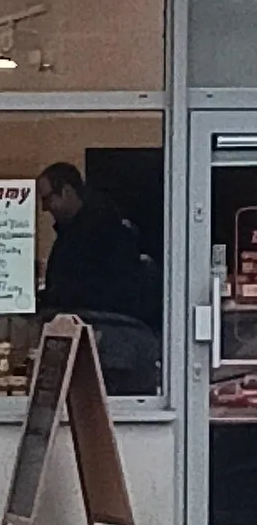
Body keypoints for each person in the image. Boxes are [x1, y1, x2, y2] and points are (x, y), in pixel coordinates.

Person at [37, 162, 162, 395]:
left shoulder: (99, 233)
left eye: (47, 199)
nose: (45, 208)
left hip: (107, 346)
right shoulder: (82, 229)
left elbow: (106, 289)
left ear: (67, 191)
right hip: (103, 343)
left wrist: (54, 299)